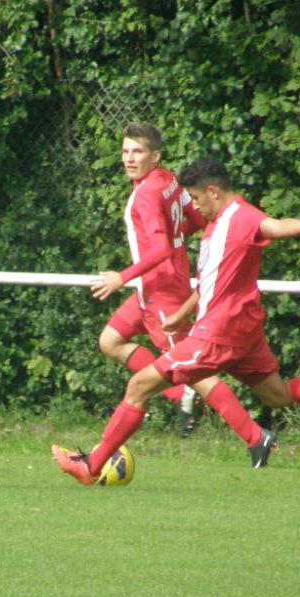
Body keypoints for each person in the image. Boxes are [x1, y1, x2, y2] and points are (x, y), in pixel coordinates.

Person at [52, 156, 300, 483]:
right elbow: (214, 280)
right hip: (241, 330)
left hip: (219, 333)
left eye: (195, 198)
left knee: (139, 385)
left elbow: (273, 226)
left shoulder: (240, 216)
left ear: (213, 191)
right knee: (278, 395)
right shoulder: (216, 225)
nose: (193, 207)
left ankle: (91, 466)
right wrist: (182, 312)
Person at [92, 123, 253, 440]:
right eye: (125, 152)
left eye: (137, 152)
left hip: (162, 293)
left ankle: (254, 435)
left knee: (195, 370)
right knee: (110, 341)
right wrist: (175, 240)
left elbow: (161, 248)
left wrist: (121, 277)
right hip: (152, 289)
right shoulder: (167, 179)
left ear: (155, 156)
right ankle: (181, 395)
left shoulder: (144, 194)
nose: (129, 158)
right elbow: (194, 219)